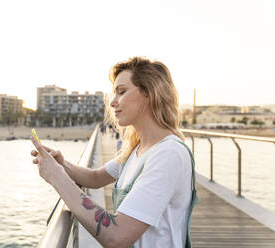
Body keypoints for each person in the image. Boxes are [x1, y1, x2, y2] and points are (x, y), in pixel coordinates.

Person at [30, 57, 198, 248]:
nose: (113, 103)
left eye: (122, 92)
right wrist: (62, 164)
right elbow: (94, 178)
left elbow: (117, 236)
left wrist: (57, 178)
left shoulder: (168, 154)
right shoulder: (138, 149)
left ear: (149, 94)